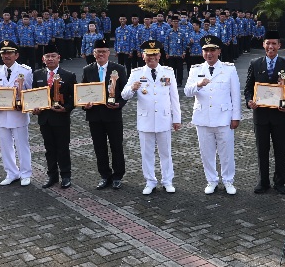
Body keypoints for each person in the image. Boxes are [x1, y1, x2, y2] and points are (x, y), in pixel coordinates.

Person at [120, 40, 182, 195]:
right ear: (143, 56)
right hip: (145, 120)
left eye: (154, 54)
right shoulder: (136, 73)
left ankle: (167, 181)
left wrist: (176, 119)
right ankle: (150, 181)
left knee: (165, 153)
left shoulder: (168, 72)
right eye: (148, 55)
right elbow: (124, 95)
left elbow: (174, 97)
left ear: (159, 55)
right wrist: (132, 88)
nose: (151, 57)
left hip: (163, 118)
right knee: (147, 154)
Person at [184, 35, 242, 195]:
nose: (209, 53)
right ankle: (211, 180)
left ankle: (228, 180)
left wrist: (236, 117)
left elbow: (235, 94)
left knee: (227, 152)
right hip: (203, 117)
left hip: (224, 117)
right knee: (206, 152)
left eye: (212, 50)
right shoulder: (196, 69)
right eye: (206, 50)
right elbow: (187, 92)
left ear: (219, 51)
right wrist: (198, 84)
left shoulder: (229, 69)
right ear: (202, 52)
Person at [243, 31, 285, 194]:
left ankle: (280, 182)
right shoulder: (255, 63)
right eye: (268, 43)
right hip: (261, 115)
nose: (271, 46)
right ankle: (263, 182)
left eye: (274, 43)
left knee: (280, 151)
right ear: (263, 45)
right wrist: (249, 101)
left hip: (280, 115)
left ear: (279, 45)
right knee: (262, 151)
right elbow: (248, 88)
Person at [82, 39, 128, 190]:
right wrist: (84, 105)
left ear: (109, 53)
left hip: (113, 114)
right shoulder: (87, 70)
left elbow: (125, 92)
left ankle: (118, 176)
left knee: (116, 146)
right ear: (93, 53)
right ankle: (104, 175)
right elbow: (82, 92)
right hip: (95, 115)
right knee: (99, 147)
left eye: (103, 51)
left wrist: (119, 104)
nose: (101, 54)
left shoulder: (119, 69)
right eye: (98, 52)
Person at [31, 42, 77, 189]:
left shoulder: (68, 75)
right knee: (49, 149)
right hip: (44, 119)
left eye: (53, 56)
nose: (50, 59)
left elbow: (74, 98)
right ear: (43, 59)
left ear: (59, 58)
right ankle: (52, 175)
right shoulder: (37, 75)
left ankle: (66, 175)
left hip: (61, 118)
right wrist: (33, 109)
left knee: (63, 148)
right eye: (47, 56)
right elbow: (33, 96)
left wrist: (66, 109)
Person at [0, 40, 34, 186]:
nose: (6, 56)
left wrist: (24, 104)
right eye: (3, 53)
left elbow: (30, 92)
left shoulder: (25, 71)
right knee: (5, 146)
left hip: (18, 114)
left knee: (22, 145)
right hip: (2, 114)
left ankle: (25, 173)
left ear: (16, 55)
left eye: (9, 53)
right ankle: (11, 173)